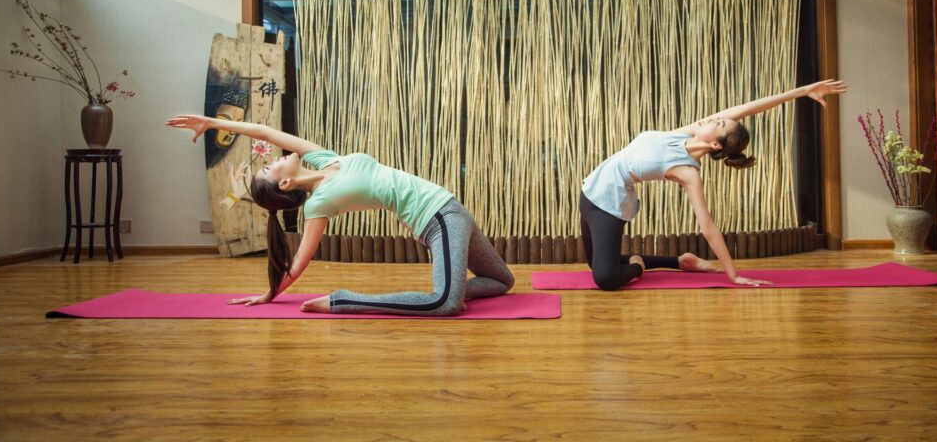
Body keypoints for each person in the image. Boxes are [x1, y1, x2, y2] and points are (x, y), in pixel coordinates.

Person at [165, 115, 515, 316]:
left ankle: (451, 287)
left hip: (454, 209)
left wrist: (212, 122)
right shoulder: (320, 204)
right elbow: (301, 261)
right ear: (285, 182)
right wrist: (271, 293)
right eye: (270, 167)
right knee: (445, 304)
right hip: (437, 221)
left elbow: (266, 132)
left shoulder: (323, 159)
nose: (274, 157)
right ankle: (343, 299)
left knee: (503, 282)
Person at [579, 79, 848, 290]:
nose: (710, 118)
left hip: (610, 205)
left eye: (717, 122)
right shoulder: (680, 135)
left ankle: (638, 265)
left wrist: (733, 274)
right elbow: (748, 108)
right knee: (596, 265)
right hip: (590, 190)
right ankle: (680, 262)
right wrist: (802, 91)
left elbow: (708, 228)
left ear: (716, 144)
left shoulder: (687, 171)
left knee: (605, 278)